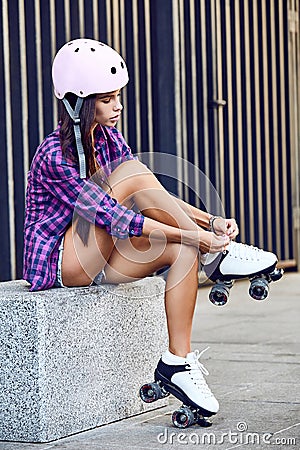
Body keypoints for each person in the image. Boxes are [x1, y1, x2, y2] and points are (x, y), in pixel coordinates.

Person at [23, 38, 278, 420]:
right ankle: (218, 254)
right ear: (78, 102)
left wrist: (208, 224)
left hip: (101, 254)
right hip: (62, 265)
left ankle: (178, 361)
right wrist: (199, 234)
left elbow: (149, 193)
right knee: (134, 178)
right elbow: (115, 217)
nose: (118, 107)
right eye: (108, 99)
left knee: (182, 251)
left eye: (118, 97)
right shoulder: (54, 153)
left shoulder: (108, 139)